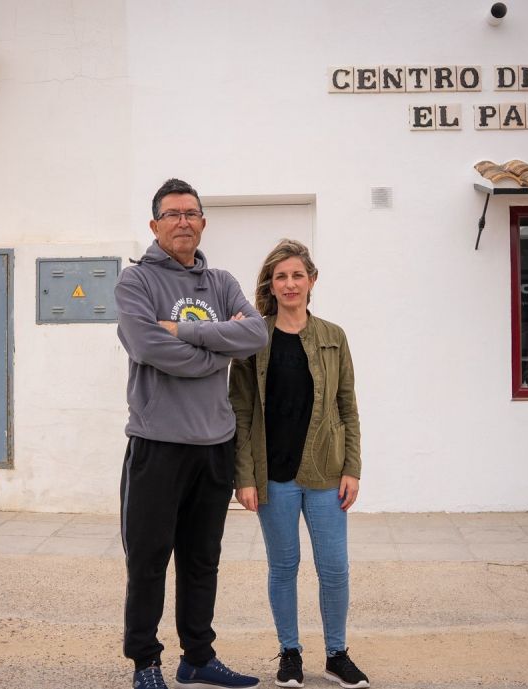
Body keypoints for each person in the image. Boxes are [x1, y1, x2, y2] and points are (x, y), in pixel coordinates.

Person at [116, 178, 268, 689]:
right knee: (149, 560)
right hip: (157, 444)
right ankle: (146, 664)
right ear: (155, 224)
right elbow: (146, 344)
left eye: (191, 213)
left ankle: (198, 658)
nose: (183, 221)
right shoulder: (135, 282)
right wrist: (217, 352)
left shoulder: (221, 281)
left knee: (203, 561)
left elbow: (256, 333)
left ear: (203, 223)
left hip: (213, 447)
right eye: (173, 213)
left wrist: (185, 330)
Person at [229, 240, 369, 689]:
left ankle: (336, 654)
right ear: (272, 285)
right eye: (281, 276)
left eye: (297, 275)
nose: (290, 284)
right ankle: (290, 653)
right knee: (283, 567)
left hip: (326, 472)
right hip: (274, 476)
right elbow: (242, 410)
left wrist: (353, 468)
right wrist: (244, 477)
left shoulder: (334, 336)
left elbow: (348, 407)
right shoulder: (255, 337)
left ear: (311, 280)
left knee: (334, 568)